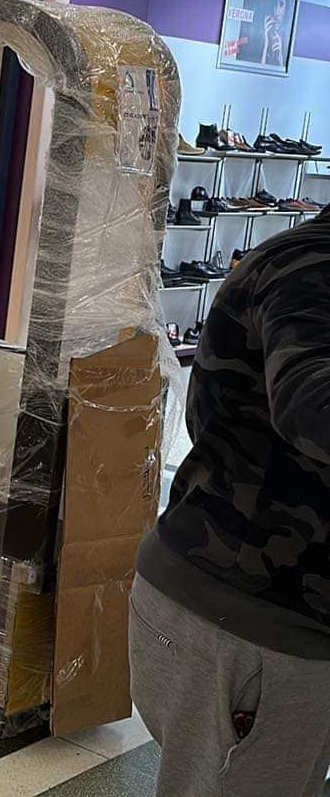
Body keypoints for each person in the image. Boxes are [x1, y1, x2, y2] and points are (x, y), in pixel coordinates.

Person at [131, 205, 330, 795]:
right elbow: (311, 406)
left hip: (254, 610)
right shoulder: (309, 268)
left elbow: (209, 420)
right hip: (250, 624)